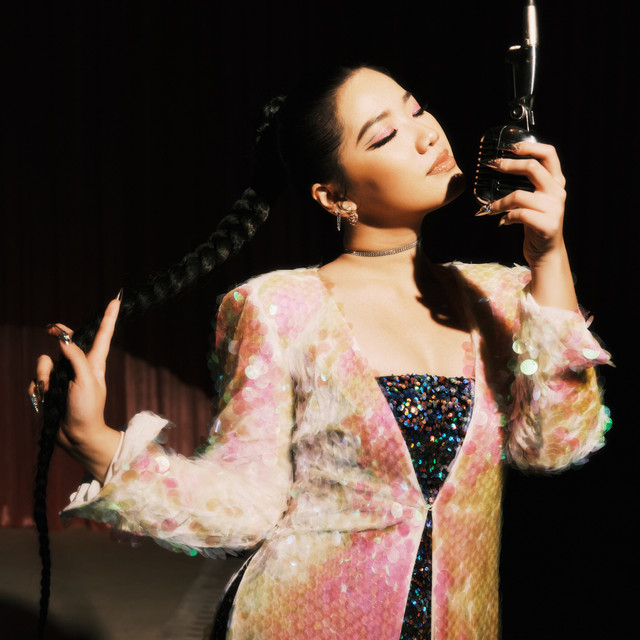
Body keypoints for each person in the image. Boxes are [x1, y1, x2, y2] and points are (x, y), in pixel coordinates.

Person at [29, 65, 611, 640]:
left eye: (416, 108)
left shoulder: (503, 296)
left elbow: (555, 444)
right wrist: (97, 443)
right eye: (385, 135)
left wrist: (550, 256)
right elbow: (247, 506)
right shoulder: (278, 308)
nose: (427, 134)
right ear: (334, 197)